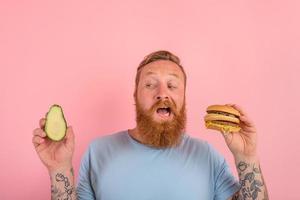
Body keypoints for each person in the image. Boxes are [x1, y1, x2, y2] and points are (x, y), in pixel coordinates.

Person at [32, 50, 269, 200]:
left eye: (172, 85)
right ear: (135, 95)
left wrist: (247, 158)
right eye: (150, 84)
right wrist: (59, 169)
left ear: (184, 97)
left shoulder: (206, 155)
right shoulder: (99, 151)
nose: (161, 94)